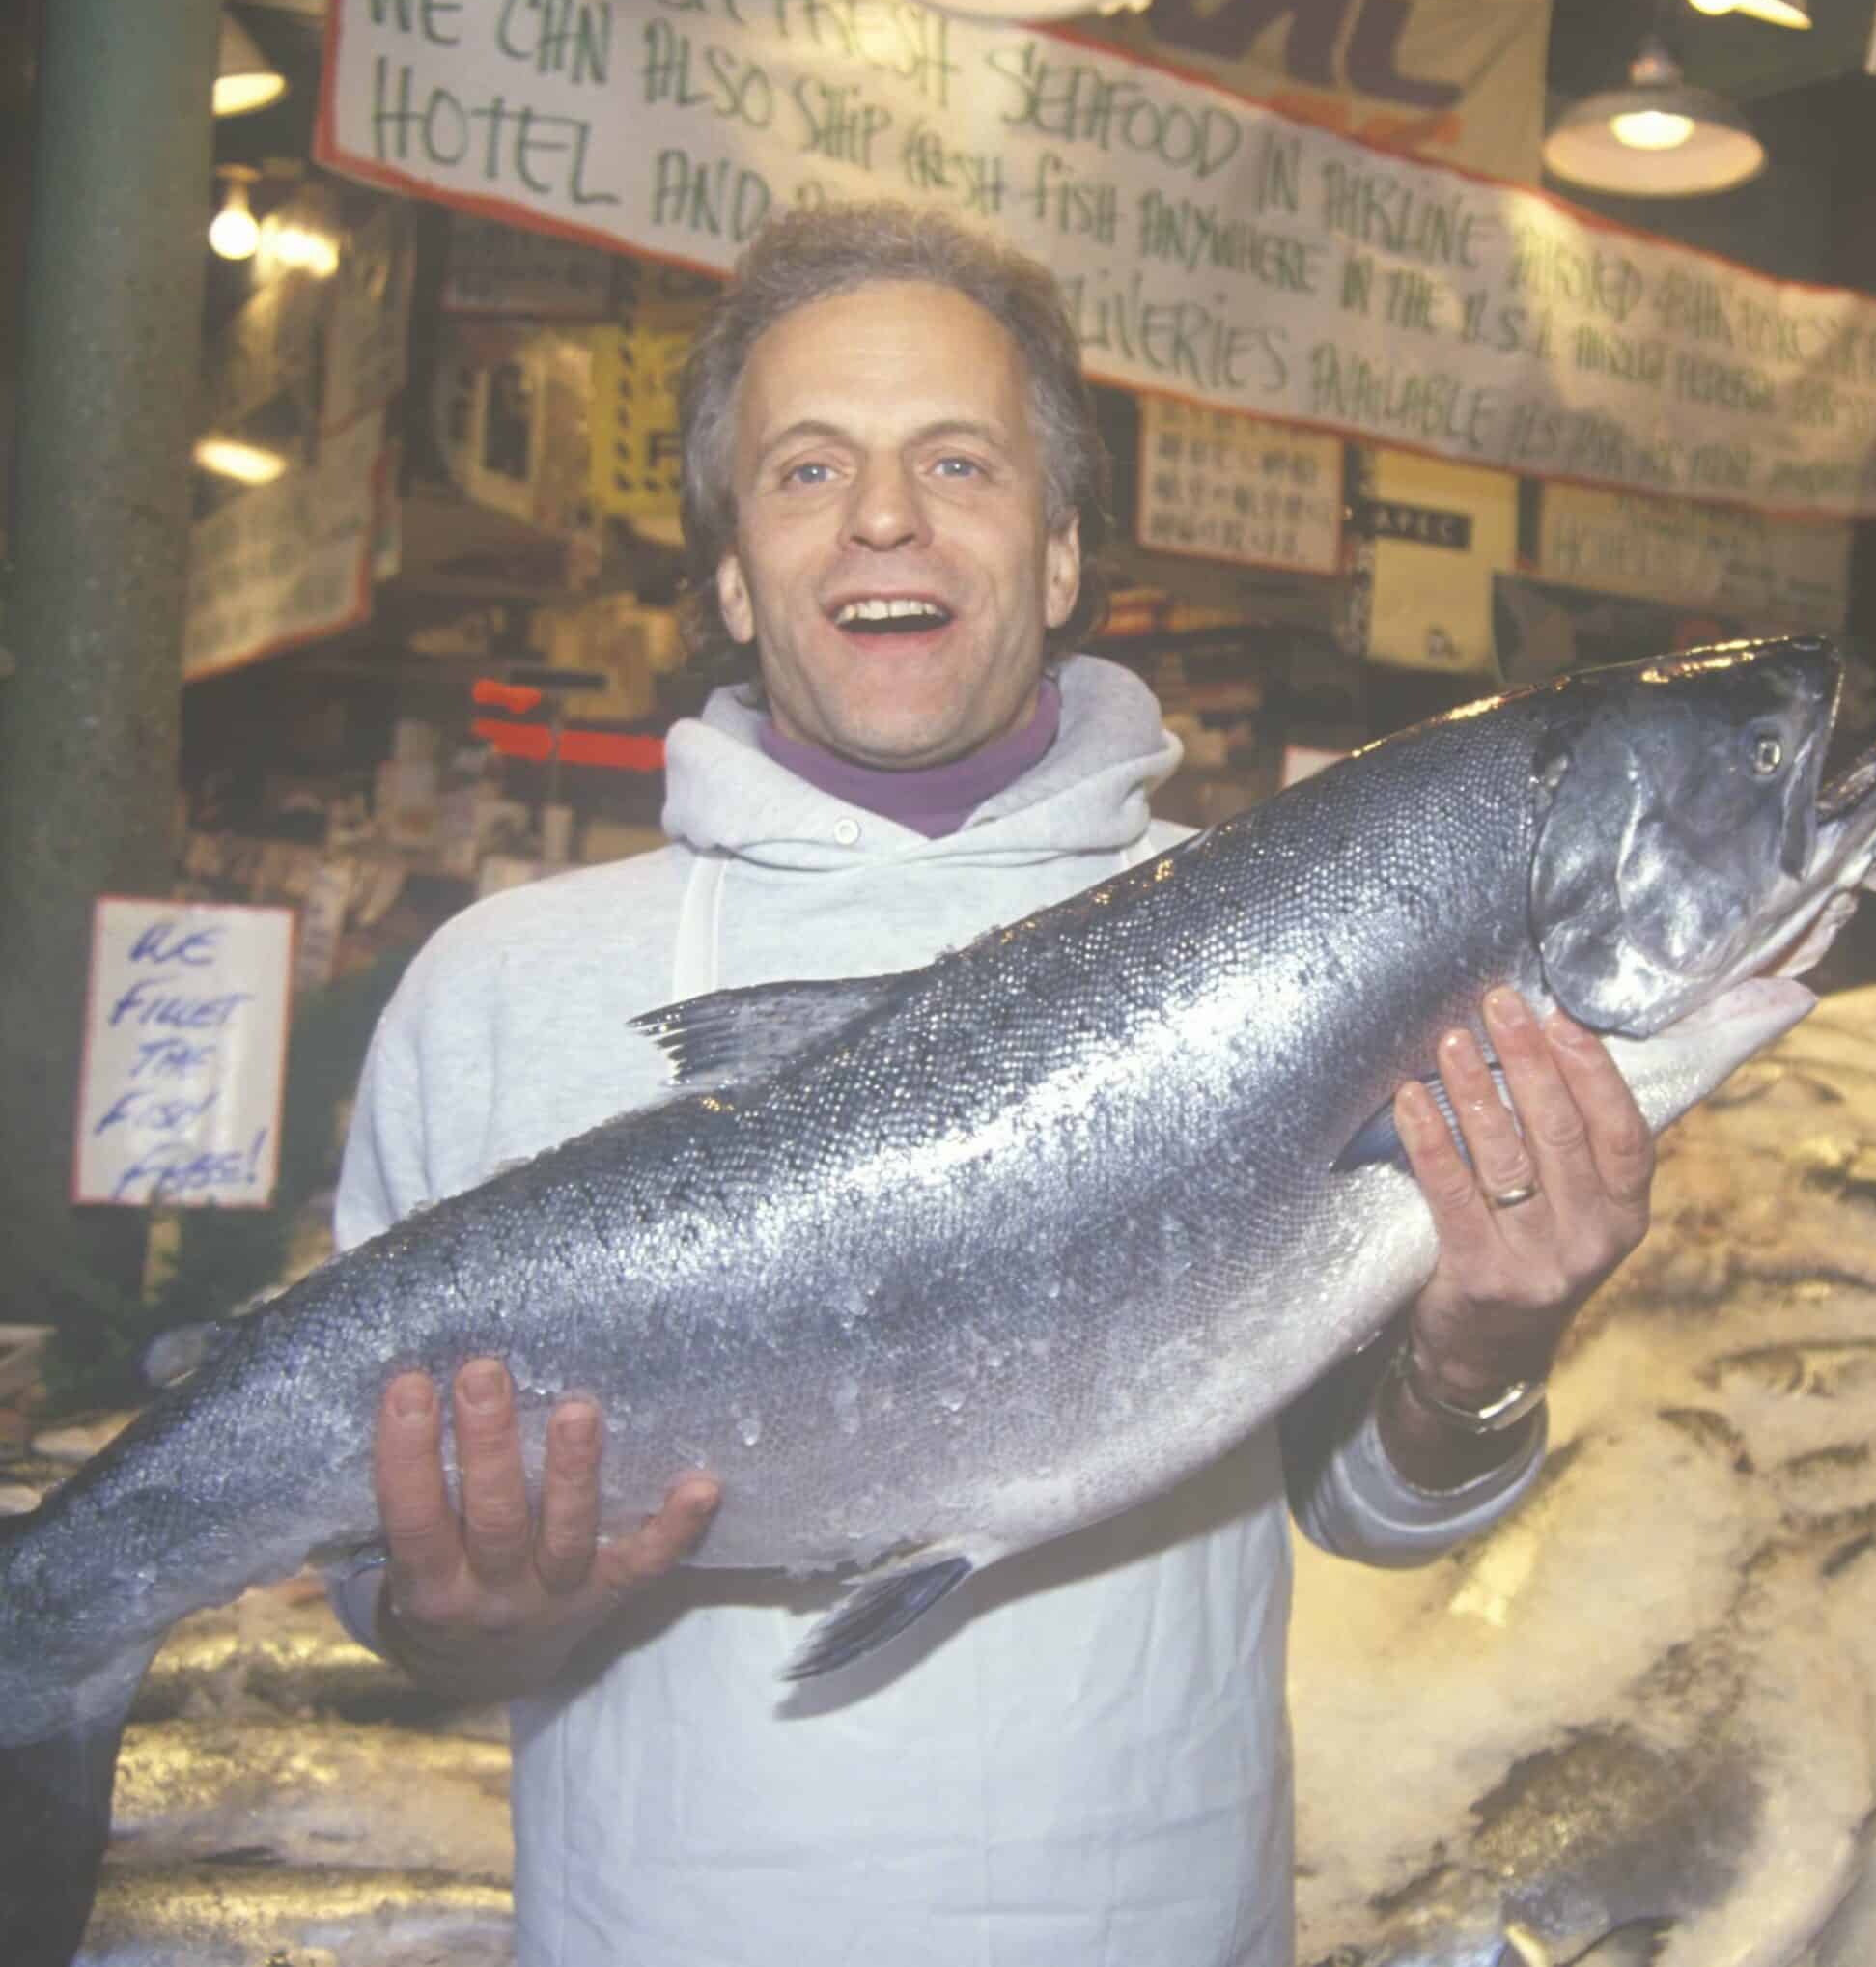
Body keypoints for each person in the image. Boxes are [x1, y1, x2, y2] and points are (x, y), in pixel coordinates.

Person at [331, 200, 1657, 1966]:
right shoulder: (497, 988)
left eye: (957, 460)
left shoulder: (1299, 944)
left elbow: (1373, 1508)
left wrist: (1485, 1353)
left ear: (1054, 554)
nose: (884, 514)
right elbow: (369, 1577)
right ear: (731, 571)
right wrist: (463, 1611)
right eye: (807, 472)